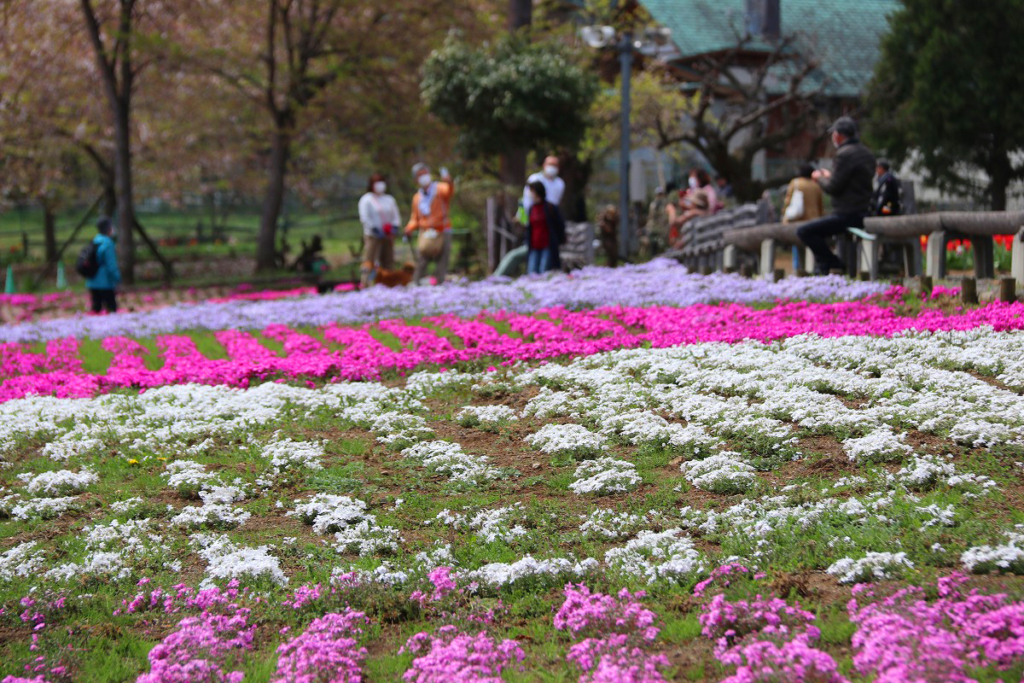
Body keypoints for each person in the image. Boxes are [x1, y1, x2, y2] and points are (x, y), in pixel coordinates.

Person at [797, 116, 876, 274]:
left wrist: (819, 178)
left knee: (805, 231)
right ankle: (827, 267)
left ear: (839, 135)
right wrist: (830, 175)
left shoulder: (844, 154)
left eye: (834, 134)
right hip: (864, 209)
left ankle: (832, 264)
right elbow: (851, 181)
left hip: (847, 213)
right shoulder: (866, 153)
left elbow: (833, 188)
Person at [405, 162, 454, 286]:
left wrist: (449, 182)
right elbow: (415, 217)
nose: (423, 177)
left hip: (442, 230)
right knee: (422, 260)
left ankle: (440, 284)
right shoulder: (417, 197)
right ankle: (415, 284)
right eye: (419, 175)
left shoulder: (440, 188)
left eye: (425, 173)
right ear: (416, 179)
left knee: (442, 260)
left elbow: (449, 192)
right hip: (426, 233)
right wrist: (409, 227)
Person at [358, 173, 402, 287]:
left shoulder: (389, 199)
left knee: (388, 261)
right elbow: (365, 217)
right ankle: (367, 283)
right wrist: (375, 229)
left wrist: (394, 227)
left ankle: (388, 283)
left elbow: (395, 216)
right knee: (370, 261)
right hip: (373, 236)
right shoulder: (366, 199)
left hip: (388, 235)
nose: (380, 185)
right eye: (377, 183)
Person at [782, 163, 826, 270]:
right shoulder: (816, 186)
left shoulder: (795, 183)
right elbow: (821, 205)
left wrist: (784, 213)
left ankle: (798, 268)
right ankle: (814, 268)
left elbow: (788, 201)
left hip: (797, 219)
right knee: (812, 246)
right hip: (814, 219)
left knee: (797, 245)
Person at [525, 181, 565, 274]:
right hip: (534, 245)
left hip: (547, 245)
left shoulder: (550, 207)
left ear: (537, 192)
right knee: (532, 271)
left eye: (532, 191)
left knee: (544, 271)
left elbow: (559, 225)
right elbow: (529, 228)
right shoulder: (531, 208)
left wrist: (559, 240)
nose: (530, 194)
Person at [86, 216, 121, 314]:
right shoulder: (108, 244)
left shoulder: (95, 240)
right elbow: (111, 265)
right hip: (106, 282)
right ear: (109, 228)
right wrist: (117, 278)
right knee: (111, 309)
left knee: (96, 309)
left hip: (92, 281)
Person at [645, 186, 670, 256]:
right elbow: (652, 216)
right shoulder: (653, 205)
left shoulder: (664, 205)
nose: (660, 196)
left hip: (662, 229)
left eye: (661, 194)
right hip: (654, 228)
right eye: (659, 194)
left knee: (662, 246)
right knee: (654, 245)